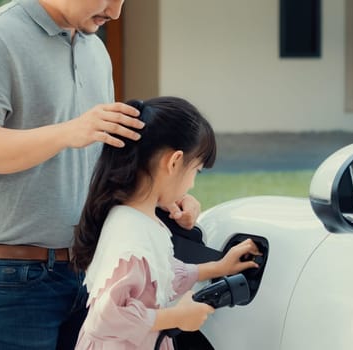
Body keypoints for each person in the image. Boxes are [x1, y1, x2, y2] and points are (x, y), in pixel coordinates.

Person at [0, 1, 202, 349]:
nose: (115, 12)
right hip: (14, 278)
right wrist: (69, 132)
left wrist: (166, 196)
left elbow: (104, 157)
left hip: (92, 269)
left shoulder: (95, 49)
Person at [71, 97, 262, 350]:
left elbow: (161, 277)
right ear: (174, 162)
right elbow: (105, 318)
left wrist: (218, 268)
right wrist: (176, 317)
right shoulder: (131, 235)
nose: (193, 183)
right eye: (196, 170)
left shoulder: (138, 219)